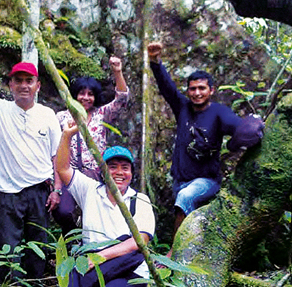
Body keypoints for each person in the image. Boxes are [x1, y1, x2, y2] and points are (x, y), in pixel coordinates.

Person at [147, 41, 263, 259]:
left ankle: (174, 253)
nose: (197, 93)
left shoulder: (219, 112)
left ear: (211, 90)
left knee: (185, 197)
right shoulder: (182, 107)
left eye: (202, 88)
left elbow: (247, 129)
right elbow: (166, 87)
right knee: (188, 212)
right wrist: (155, 61)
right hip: (179, 179)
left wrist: (233, 144)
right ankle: (193, 256)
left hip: (206, 181)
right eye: (193, 88)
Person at [0, 40, 62, 284]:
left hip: (39, 190)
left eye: (29, 81)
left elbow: (56, 155)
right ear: (10, 85)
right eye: (18, 80)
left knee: (37, 249)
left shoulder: (47, 114)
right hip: (7, 194)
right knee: (7, 250)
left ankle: (34, 283)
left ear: (38, 85)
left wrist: (57, 190)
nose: (24, 86)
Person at [56, 122, 155, 287]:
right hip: (91, 266)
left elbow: (140, 241)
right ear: (102, 171)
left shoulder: (140, 200)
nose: (119, 172)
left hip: (128, 268)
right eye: (112, 167)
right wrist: (67, 135)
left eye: (125, 168)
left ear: (131, 173)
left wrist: (98, 258)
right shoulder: (90, 190)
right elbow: (62, 168)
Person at [53, 57, 129, 235]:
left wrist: (117, 71)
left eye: (90, 94)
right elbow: (55, 151)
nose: (85, 98)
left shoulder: (101, 115)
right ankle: (71, 240)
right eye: (81, 93)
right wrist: (55, 184)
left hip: (96, 173)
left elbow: (122, 99)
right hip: (69, 173)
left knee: (95, 214)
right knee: (64, 212)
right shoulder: (62, 117)